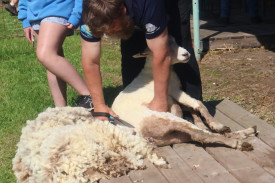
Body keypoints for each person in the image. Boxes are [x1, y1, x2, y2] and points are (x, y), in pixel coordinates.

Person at [81, 0, 202, 120]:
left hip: (168, 4)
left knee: (177, 47)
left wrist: (160, 101)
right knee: (132, 50)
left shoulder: (147, 4)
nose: (109, 33)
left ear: (122, 10)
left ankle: (193, 113)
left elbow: (162, 54)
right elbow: (91, 61)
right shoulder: (91, 11)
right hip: (128, 10)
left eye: (111, 28)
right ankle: (138, 111)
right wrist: (99, 106)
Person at [18, 0, 93, 108]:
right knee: (51, 63)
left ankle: (89, 97)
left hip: (58, 8)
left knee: (46, 55)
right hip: (34, 13)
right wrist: (24, 18)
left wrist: (77, 14)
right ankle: (60, 111)